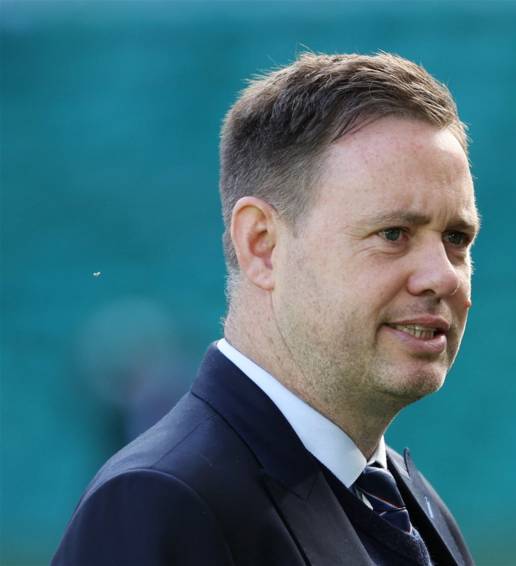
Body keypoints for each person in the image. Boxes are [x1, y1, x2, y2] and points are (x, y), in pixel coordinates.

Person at [53, 52, 479, 566]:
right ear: (262, 244)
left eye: (457, 238)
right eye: (393, 234)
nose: (443, 276)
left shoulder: (412, 504)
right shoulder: (161, 503)